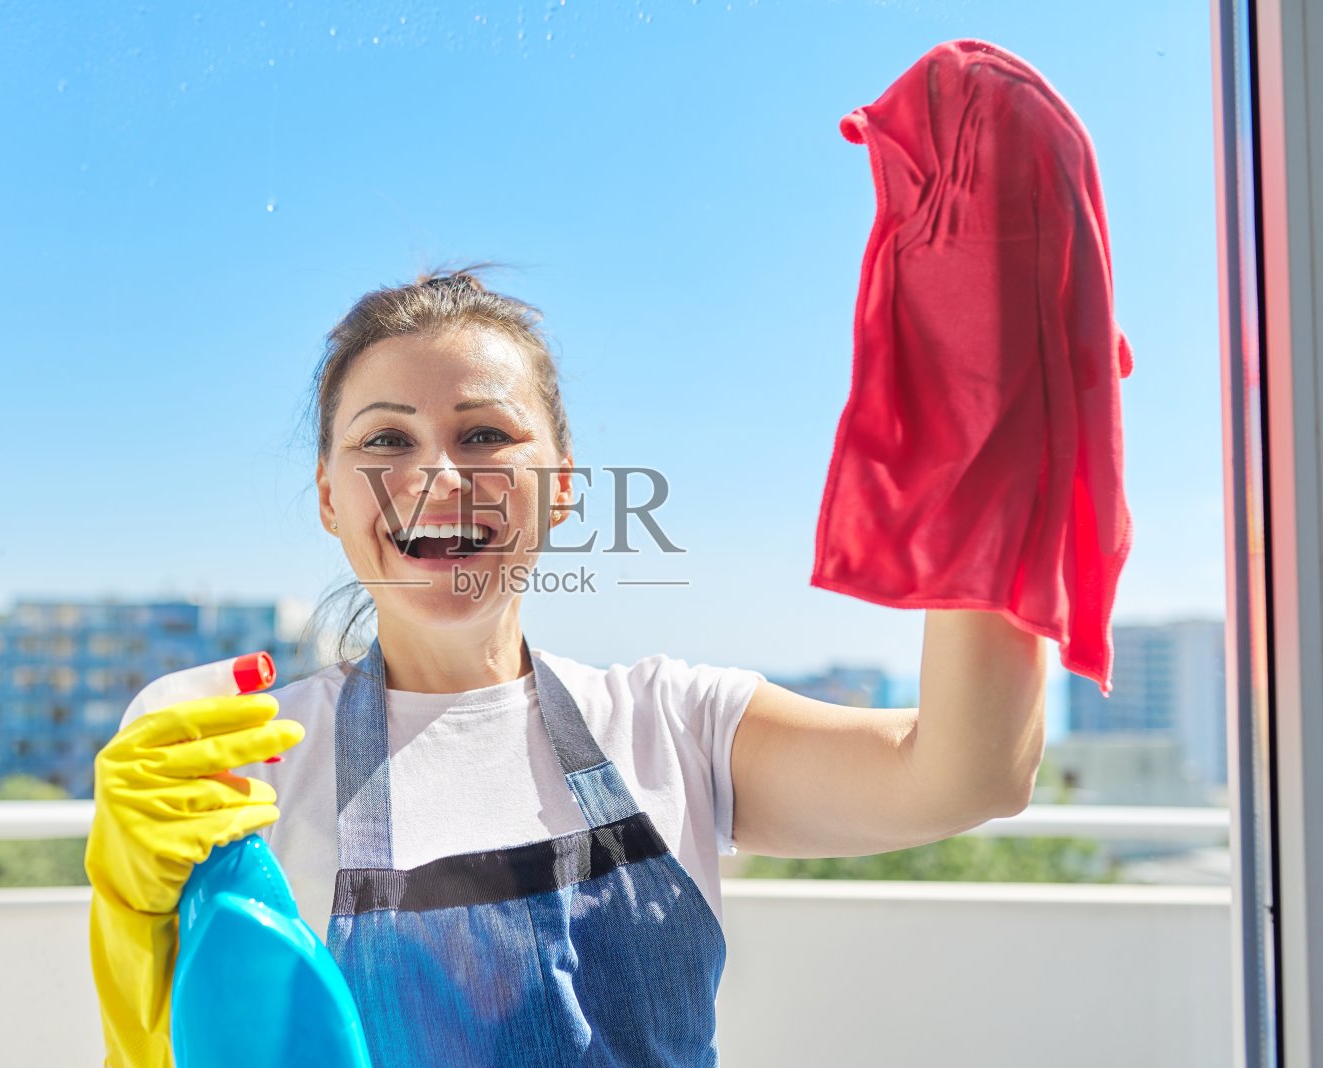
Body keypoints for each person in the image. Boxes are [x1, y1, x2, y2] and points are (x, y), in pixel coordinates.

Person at [84, 266, 1049, 1067]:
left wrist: (998, 443)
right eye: (385, 440)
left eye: (486, 435)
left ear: (565, 488)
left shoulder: (671, 721)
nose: (435, 478)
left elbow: (967, 773)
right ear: (330, 498)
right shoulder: (242, 744)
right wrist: (135, 908)